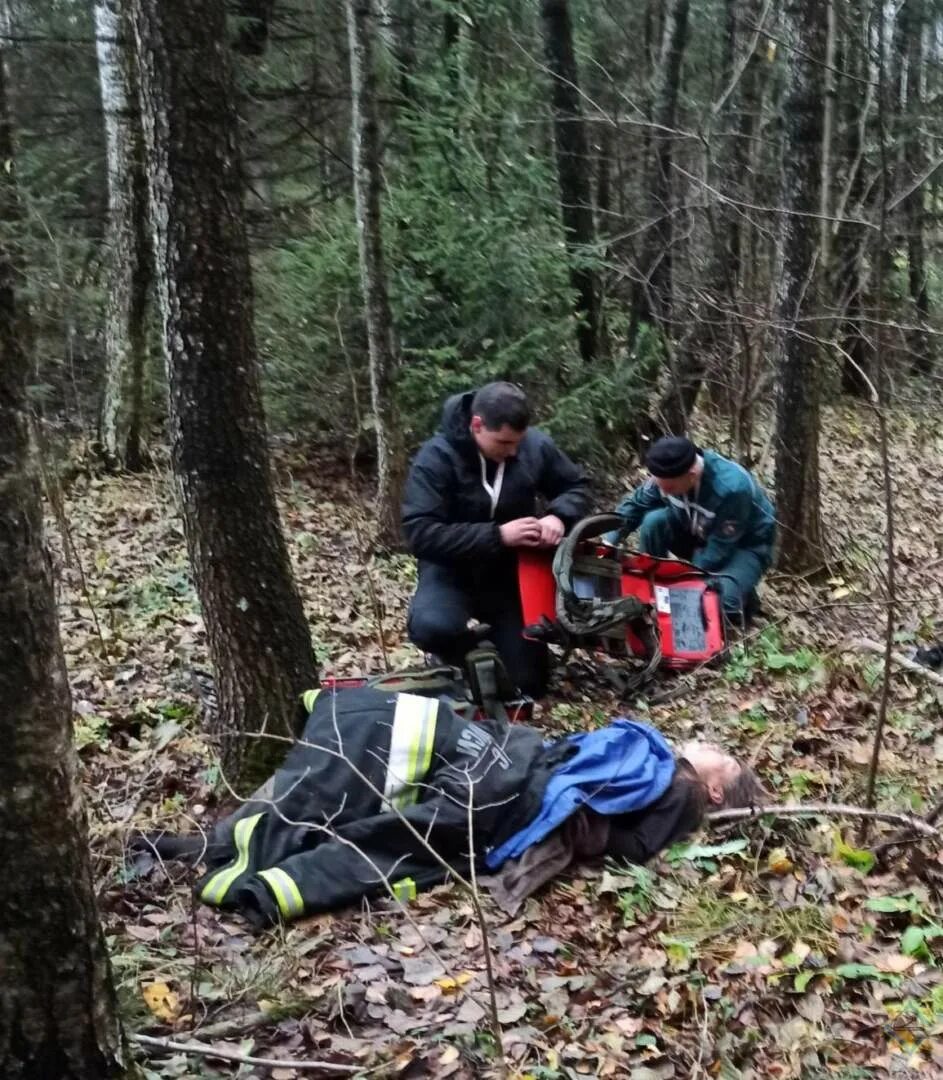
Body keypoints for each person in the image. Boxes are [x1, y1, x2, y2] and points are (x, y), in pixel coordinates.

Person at [135, 687, 761, 928]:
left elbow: (625, 841)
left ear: (713, 790)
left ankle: (255, 880)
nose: (713, 746)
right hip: (512, 764)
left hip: (511, 793)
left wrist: (562, 818)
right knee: (374, 769)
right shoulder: (660, 765)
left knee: (388, 834)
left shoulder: (676, 790)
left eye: (724, 760)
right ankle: (210, 849)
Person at [400, 382, 591, 697]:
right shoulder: (436, 457)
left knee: (528, 684)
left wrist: (558, 516)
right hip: (451, 571)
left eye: (518, 441)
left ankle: (497, 646)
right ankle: (461, 651)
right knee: (433, 627)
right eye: (503, 442)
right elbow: (420, 533)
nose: (513, 451)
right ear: (477, 425)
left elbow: (577, 485)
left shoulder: (534, 447)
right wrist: (498, 534)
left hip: (508, 577)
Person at [611, 436, 776, 622]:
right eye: (660, 486)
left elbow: (718, 550)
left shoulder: (733, 489)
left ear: (691, 475)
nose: (663, 493)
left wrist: (682, 591)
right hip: (696, 531)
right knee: (653, 521)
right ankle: (648, 590)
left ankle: (740, 593)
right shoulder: (668, 475)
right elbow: (635, 505)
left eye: (670, 488)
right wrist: (607, 541)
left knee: (718, 604)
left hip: (744, 546)